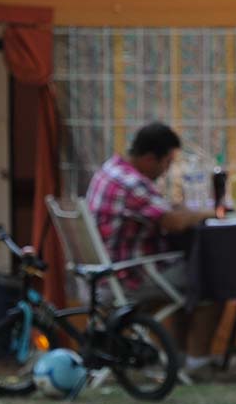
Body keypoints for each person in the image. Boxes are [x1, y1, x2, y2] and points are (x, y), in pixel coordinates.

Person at [86, 122, 223, 369]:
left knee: (186, 277)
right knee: (210, 281)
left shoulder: (111, 170)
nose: (167, 170)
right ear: (150, 158)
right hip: (126, 276)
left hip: (102, 273)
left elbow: (159, 210)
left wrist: (183, 211)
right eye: (167, 162)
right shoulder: (133, 183)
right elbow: (173, 223)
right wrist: (210, 212)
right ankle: (198, 362)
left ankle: (178, 358)